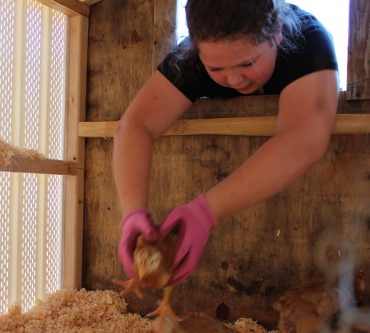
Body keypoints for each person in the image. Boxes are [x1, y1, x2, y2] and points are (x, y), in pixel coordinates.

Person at [115, 0, 339, 286]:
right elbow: (136, 125)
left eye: (248, 63)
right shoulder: (191, 57)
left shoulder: (309, 40)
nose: (234, 79)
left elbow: (304, 139)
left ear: (277, 32)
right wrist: (132, 213)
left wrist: (205, 212)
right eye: (216, 68)